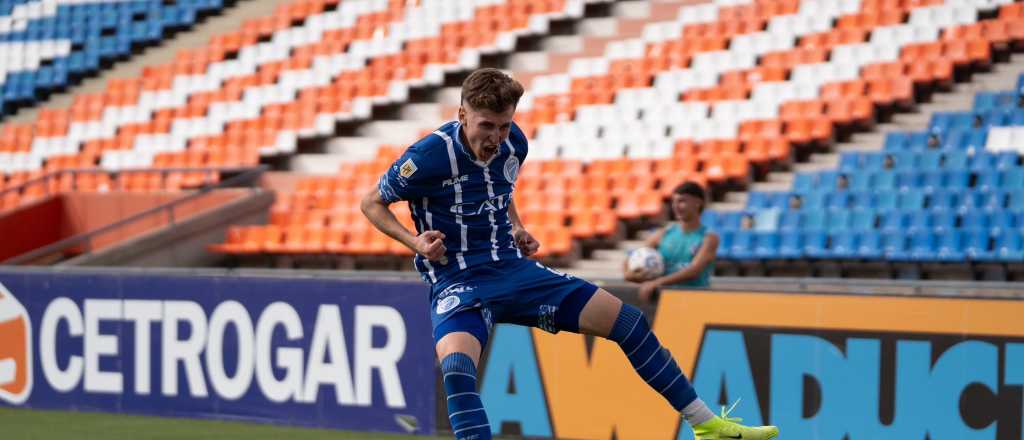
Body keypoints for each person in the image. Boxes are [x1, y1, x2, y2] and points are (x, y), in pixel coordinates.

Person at [361, 68, 779, 440]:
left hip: (511, 268)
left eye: (504, 126)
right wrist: (414, 242)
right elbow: (372, 204)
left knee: (629, 322)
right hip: (458, 280)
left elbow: (500, 191)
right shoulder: (428, 156)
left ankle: (705, 424)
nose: (495, 138)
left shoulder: (513, 145)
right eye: (486, 125)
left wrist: (518, 227)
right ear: (463, 115)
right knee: (457, 369)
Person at [625, 182, 720, 303]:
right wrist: (628, 273)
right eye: (674, 202)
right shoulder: (663, 233)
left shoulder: (709, 238)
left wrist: (657, 282)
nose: (676, 206)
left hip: (694, 301)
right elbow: (634, 256)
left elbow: (694, 271)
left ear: (698, 203)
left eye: (682, 201)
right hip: (663, 301)